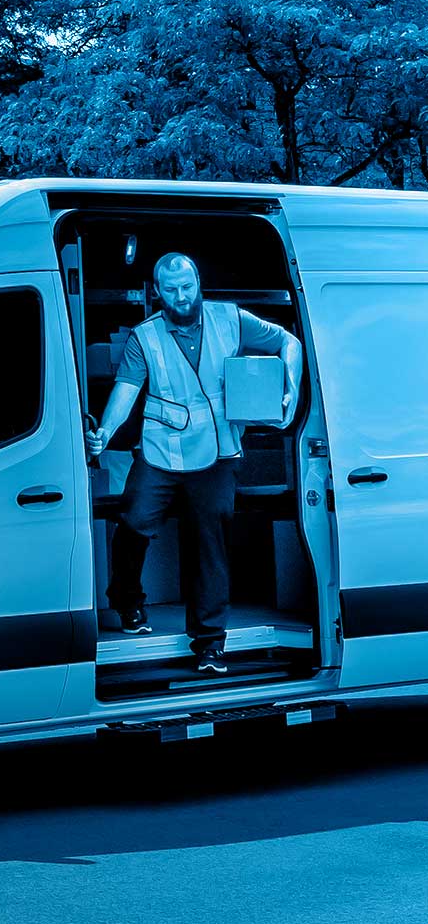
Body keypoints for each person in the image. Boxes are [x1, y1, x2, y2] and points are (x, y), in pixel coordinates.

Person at [87, 252, 302, 674]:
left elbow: (288, 343)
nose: (181, 296)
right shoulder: (143, 337)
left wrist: (290, 386)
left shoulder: (231, 318)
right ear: (157, 290)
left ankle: (209, 644)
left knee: (211, 544)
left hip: (219, 453)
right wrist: (104, 435)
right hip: (162, 451)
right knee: (133, 522)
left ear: (198, 281)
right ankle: (127, 602)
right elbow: (126, 392)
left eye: (187, 287)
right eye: (171, 289)